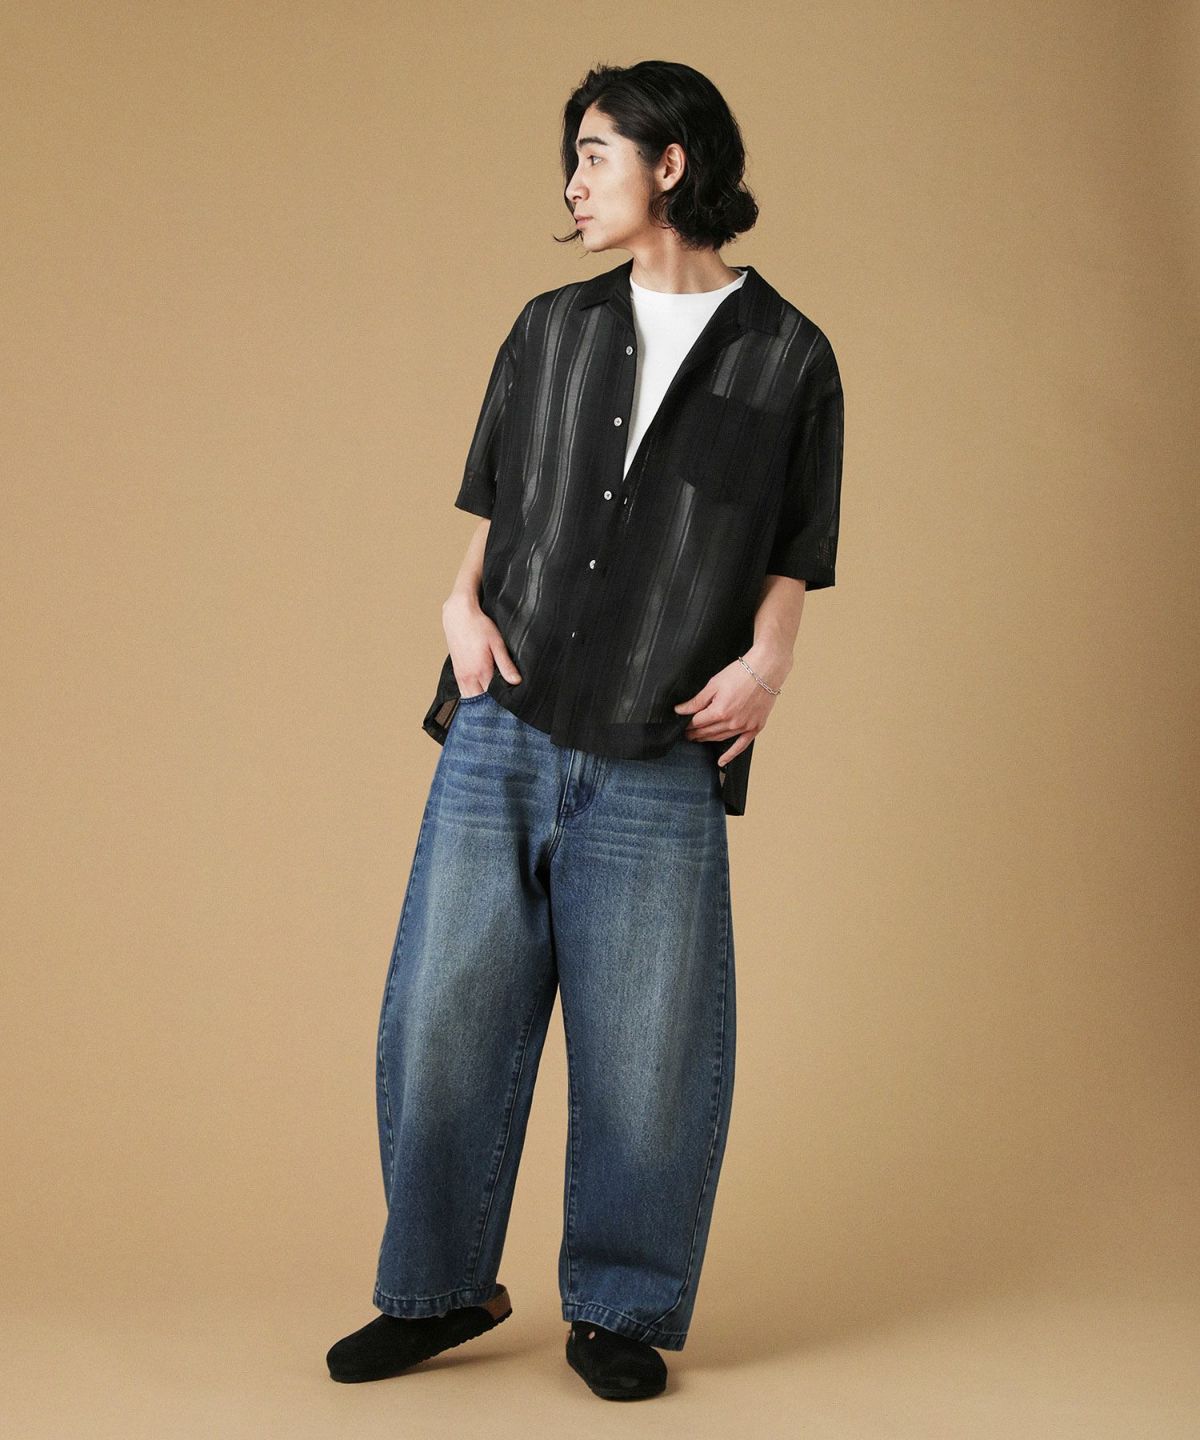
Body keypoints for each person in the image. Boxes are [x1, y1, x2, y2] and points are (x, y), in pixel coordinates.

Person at [326, 59, 844, 1402]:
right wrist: (456, 606)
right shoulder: (549, 328)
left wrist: (771, 663)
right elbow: (497, 504)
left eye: (595, 153)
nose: (572, 181)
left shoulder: (789, 356)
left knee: (650, 1048)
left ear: (672, 164)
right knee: (444, 1016)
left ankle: (620, 1312)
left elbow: (795, 545)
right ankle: (436, 1289)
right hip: (503, 714)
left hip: (664, 739)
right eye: (573, 157)